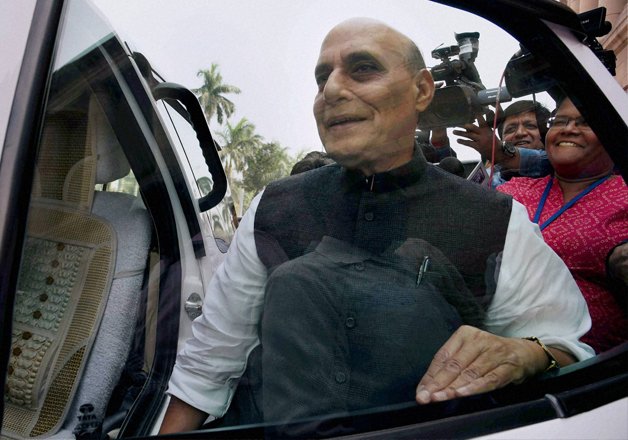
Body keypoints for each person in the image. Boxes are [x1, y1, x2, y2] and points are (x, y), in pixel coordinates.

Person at [159, 18, 593, 434]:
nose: (331, 90)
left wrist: (527, 353)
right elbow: (210, 363)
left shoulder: (496, 219)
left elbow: (566, 347)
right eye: (322, 78)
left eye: (363, 68)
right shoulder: (272, 208)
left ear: (422, 90)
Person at [498, 97, 628, 353]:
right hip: (499, 347)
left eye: (585, 122)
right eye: (560, 121)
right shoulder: (513, 190)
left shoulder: (624, 194)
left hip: (591, 364)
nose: (568, 129)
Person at [454, 100, 552, 186]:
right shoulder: (486, 181)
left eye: (530, 126)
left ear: (547, 133)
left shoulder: (558, 169)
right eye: (511, 129)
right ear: (501, 139)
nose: (520, 133)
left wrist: (501, 154)